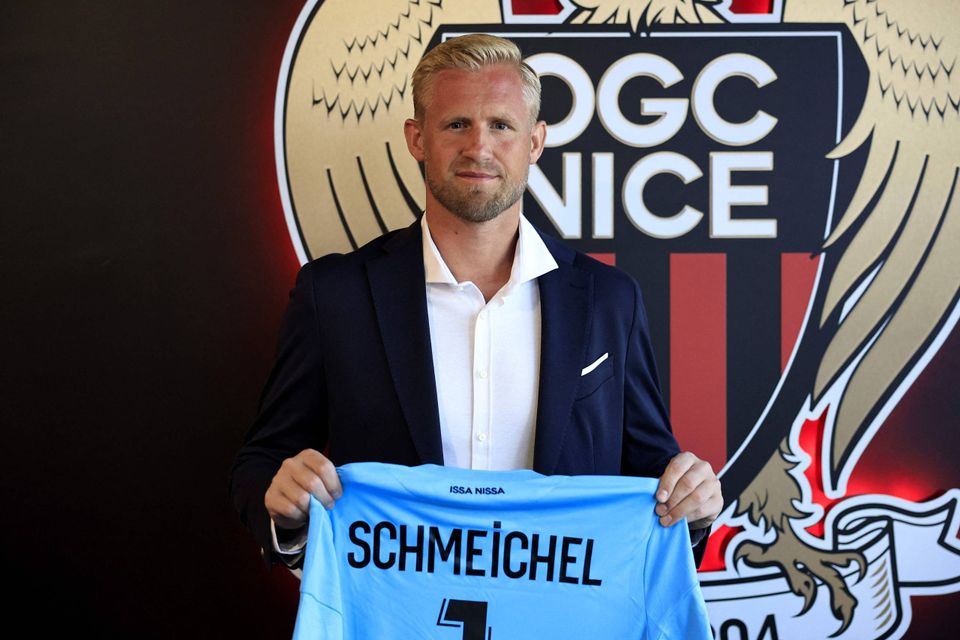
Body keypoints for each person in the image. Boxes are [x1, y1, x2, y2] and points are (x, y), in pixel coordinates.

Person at [230, 34, 722, 569]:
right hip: (394, 609)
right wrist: (284, 506)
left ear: (535, 142)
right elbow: (262, 462)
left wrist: (692, 502)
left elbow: (653, 474)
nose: (479, 148)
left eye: (501, 125)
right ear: (417, 139)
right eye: (456, 124)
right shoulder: (335, 295)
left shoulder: (609, 300)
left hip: (559, 610)